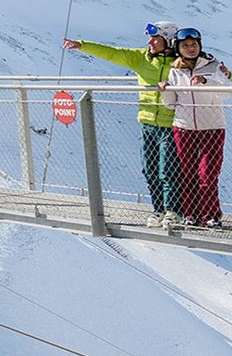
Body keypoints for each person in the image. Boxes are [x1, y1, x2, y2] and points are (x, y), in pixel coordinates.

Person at [63, 22, 181, 223]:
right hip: (147, 122)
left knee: (168, 169)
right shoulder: (140, 58)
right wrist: (82, 45)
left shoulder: (181, 63)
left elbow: (208, 70)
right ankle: (158, 209)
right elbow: (112, 53)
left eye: (155, 39)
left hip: (171, 124)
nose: (149, 42)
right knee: (149, 168)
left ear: (169, 41)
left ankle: (173, 211)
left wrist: (222, 73)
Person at [158, 27, 232, 228]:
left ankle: (210, 215)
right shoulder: (175, 69)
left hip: (212, 126)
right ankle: (190, 213)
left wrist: (205, 81)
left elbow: (226, 93)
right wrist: (165, 90)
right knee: (188, 173)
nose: (190, 49)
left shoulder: (214, 65)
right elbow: (171, 104)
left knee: (207, 174)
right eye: (185, 46)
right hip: (184, 127)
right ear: (178, 48)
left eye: (194, 45)